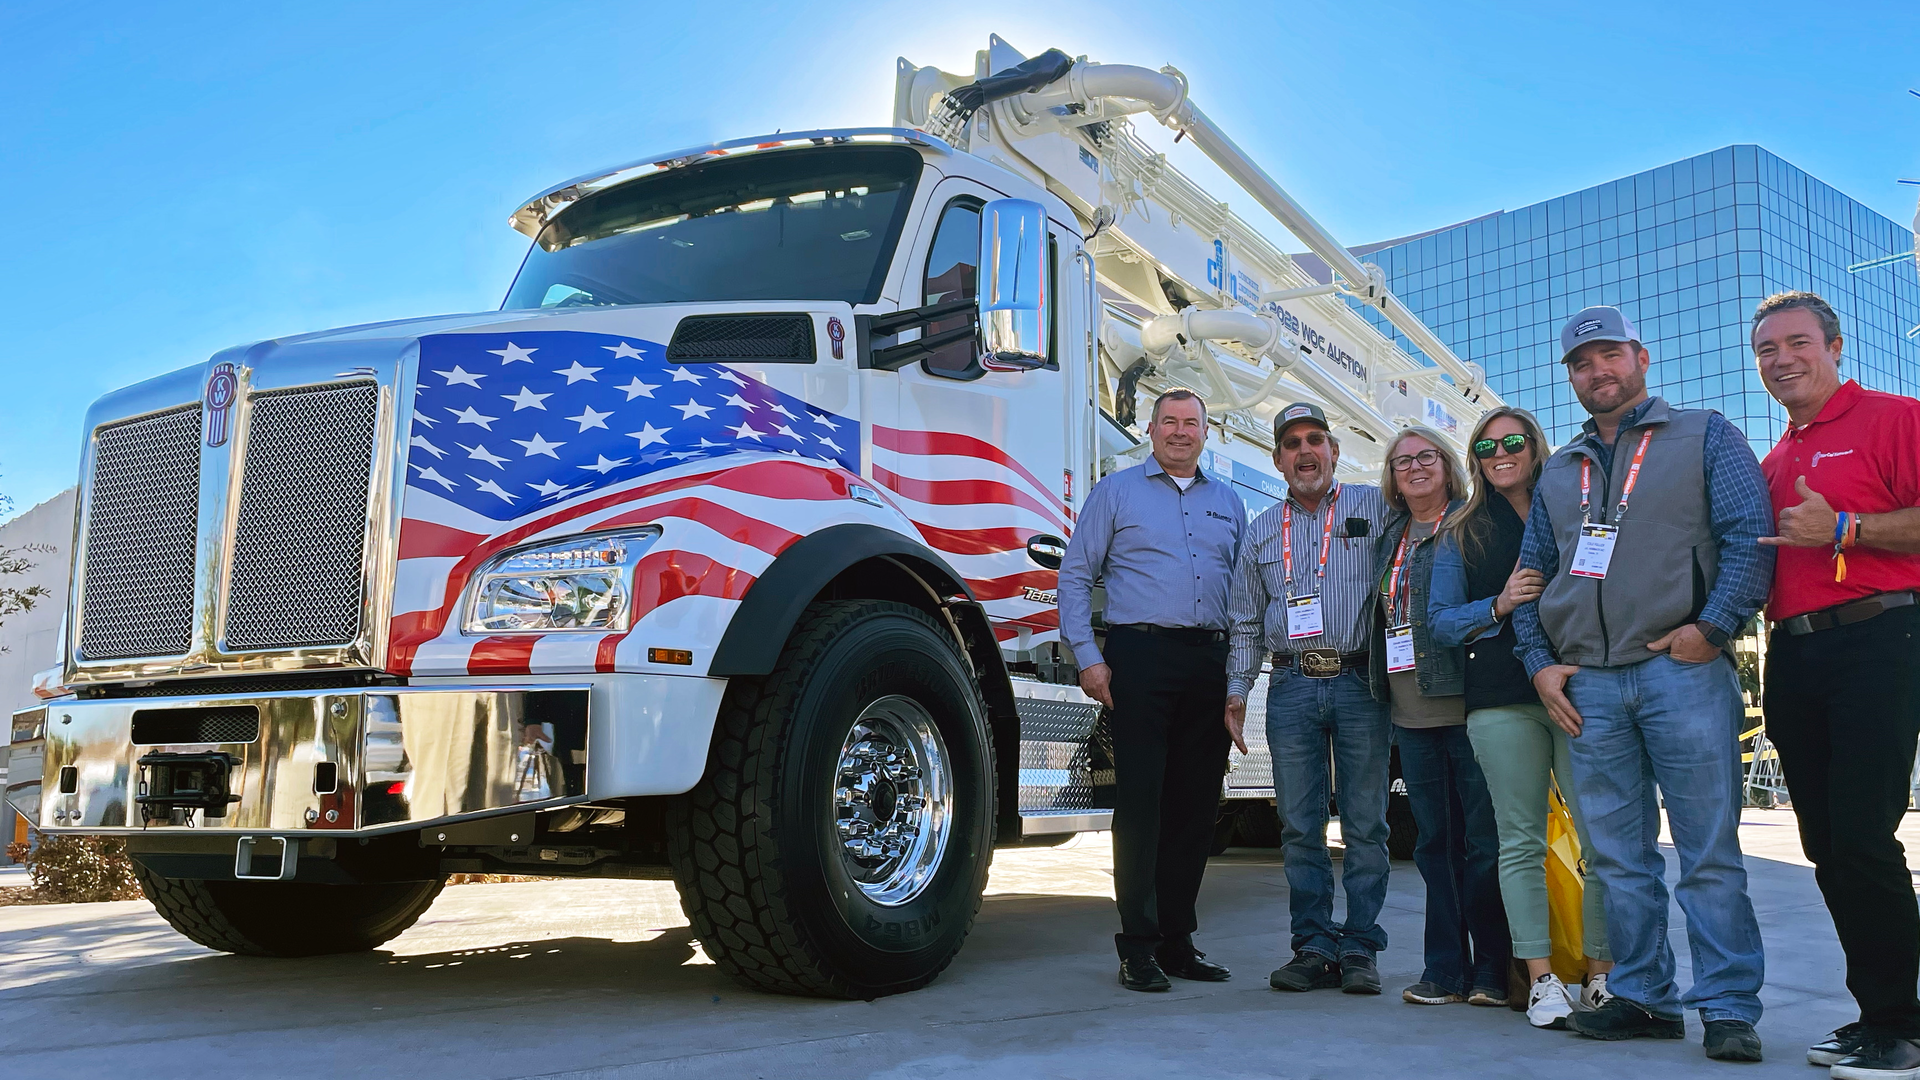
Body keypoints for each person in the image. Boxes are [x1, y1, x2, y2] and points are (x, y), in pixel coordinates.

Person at [1513, 306, 1774, 1063]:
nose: (1599, 371)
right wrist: (1540, 662)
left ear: (1642, 358)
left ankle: (1726, 1006)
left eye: (1611, 356)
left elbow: (1748, 537)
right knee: (1620, 858)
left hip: (1681, 673)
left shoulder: (1704, 435)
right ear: (1570, 376)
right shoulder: (1561, 470)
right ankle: (1644, 996)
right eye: (1583, 362)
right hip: (1590, 686)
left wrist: (1713, 628)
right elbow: (1531, 581)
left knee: (1708, 852)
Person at [1748, 291, 1920, 1078]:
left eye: (1796, 343)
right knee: (1827, 845)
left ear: (1836, 346)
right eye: (1766, 350)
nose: (1781, 359)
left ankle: (1903, 1025)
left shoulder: (1895, 418)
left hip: (1880, 637)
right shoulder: (1775, 458)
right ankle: (1876, 1014)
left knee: (1860, 835)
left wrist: (1849, 528)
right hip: (1796, 654)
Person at [1428, 405, 1616, 1030]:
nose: (1500, 453)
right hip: (1502, 700)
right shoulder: (1461, 529)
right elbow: (1441, 622)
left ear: (1535, 446)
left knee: (1600, 841)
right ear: (1475, 460)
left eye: (1512, 441)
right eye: (1486, 447)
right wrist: (1500, 602)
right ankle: (1540, 981)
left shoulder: (1573, 506)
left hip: (1579, 691)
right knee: (1520, 842)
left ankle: (1600, 975)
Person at [1058, 387, 1248, 993]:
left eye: (1191, 423)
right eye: (1169, 421)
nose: (1179, 432)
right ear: (1150, 427)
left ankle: (1177, 941)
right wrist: (1089, 658)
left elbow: (1244, 598)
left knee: (1195, 808)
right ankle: (1136, 945)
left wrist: (1238, 676)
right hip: (1138, 657)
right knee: (1141, 805)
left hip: (1209, 662)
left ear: (1205, 432)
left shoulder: (1229, 503)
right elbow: (1075, 575)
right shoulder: (1115, 492)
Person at [1225, 401, 1393, 995]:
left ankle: (1361, 947)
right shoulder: (1262, 530)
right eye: (1292, 443)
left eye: (1315, 439)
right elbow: (1245, 620)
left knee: (1367, 823)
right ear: (1277, 459)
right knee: (1299, 824)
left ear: (1334, 451)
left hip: (1359, 682)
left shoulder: (1376, 508)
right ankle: (1313, 944)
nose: (1305, 451)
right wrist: (1237, 692)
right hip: (1292, 683)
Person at [1366, 427, 1512, 1008]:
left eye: (1426, 457)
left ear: (1448, 467)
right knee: (1434, 845)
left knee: (1484, 842)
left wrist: (1493, 608)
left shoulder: (1471, 526)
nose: (1416, 468)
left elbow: (1498, 601)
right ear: (1393, 480)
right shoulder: (1391, 538)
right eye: (1403, 462)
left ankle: (1494, 971)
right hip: (1410, 712)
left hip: (1467, 703)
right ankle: (1443, 969)